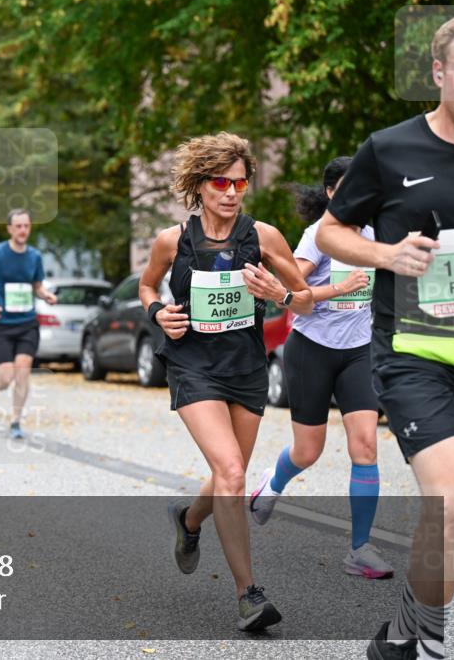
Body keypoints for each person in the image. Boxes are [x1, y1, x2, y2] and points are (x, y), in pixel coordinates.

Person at [316, 16, 454, 660]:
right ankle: (426, 640)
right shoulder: (391, 148)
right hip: (417, 357)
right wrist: (386, 256)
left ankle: (403, 635)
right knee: (451, 505)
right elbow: (329, 232)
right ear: (438, 74)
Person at [139, 132, 314, 632]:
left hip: (247, 367)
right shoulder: (173, 240)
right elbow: (147, 284)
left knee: (228, 474)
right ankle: (248, 596)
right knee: (233, 474)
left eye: (241, 182)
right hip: (192, 365)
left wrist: (280, 292)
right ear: (200, 183)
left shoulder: (265, 237)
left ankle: (189, 520)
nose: (232, 191)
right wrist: (158, 312)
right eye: (221, 181)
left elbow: (304, 299)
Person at [249, 157, 395, 580]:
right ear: (333, 192)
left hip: (359, 350)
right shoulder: (317, 237)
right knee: (308, 451)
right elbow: (292, 296)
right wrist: (340, 288)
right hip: (311, 349)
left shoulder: (375, 235)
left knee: (365, 445)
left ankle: (360, 549)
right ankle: (270, 484)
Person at [0, 209, 57, 439]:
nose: (22, 230)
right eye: (18, 226)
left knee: (22, 373)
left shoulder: (34, 257)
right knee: (6, 376)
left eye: (26, 226)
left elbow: (37, 286)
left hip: (27, 323)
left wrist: (45, 295)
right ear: (9, 228)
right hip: (1, 324)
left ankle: (15, 421)